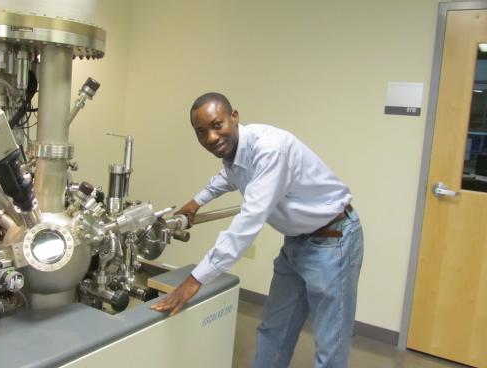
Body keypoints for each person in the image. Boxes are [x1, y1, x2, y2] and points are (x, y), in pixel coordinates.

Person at [150, 92, 364, 368]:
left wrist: (194, 281)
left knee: (330, 346)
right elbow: (226, 177)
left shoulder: (270, 149)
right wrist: (194, 203)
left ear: (235, 117)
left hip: (333, 241)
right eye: (201, 132)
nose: (211, 138)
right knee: (273, 331)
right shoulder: (234, 152)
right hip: (296, 243)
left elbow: (247, 223)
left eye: (217, 125)